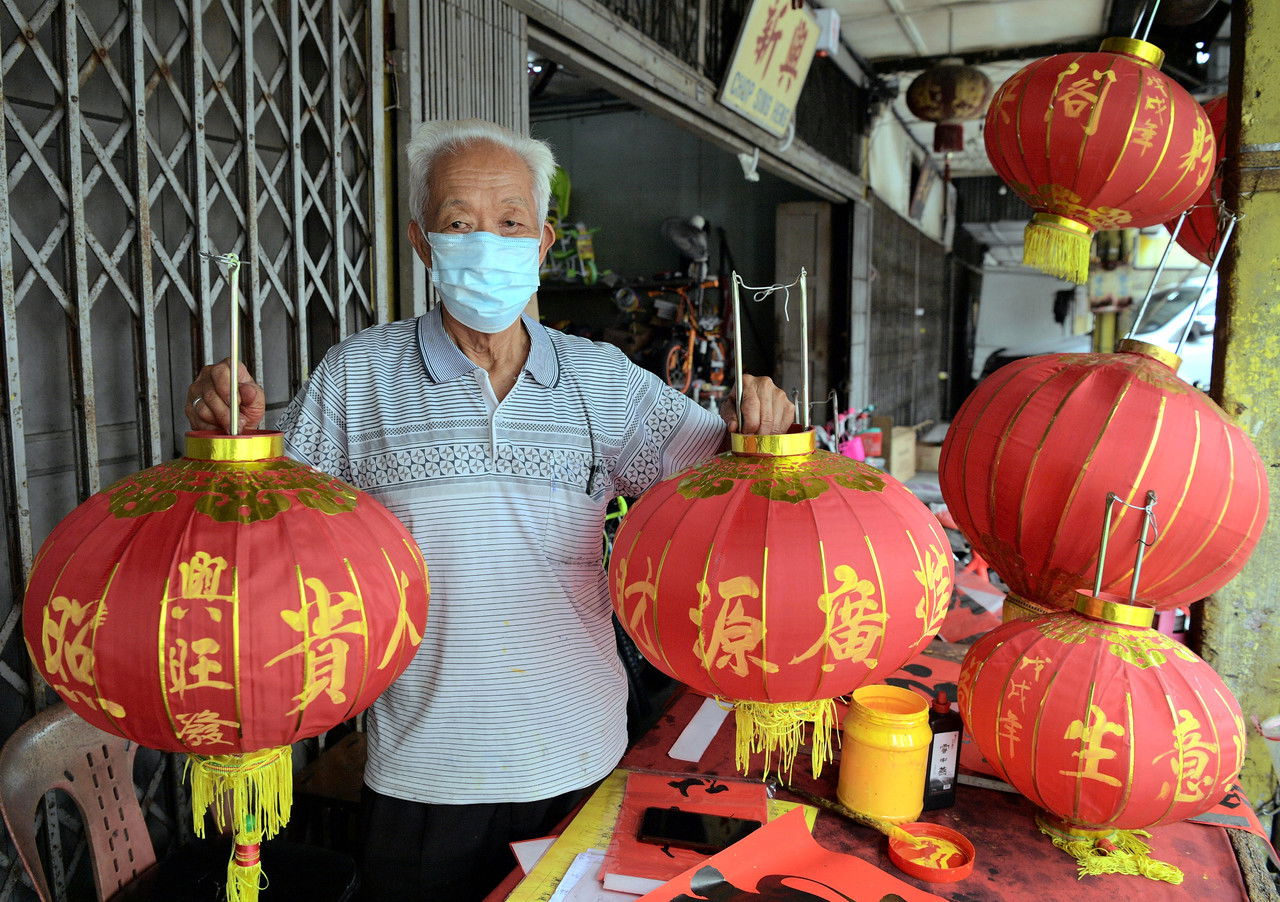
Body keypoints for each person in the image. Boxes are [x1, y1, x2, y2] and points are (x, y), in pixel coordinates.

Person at [186, 118, 794, 900]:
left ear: (543, 240)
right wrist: (230, 433)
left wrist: (766, 430)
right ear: (422, 243)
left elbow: (725, 492)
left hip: (582, 753)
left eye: (509, 223)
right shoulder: (356, 378)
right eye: (458, 223)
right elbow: (263, 531)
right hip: (425, 768)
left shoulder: (601, 378)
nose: (486, 242)